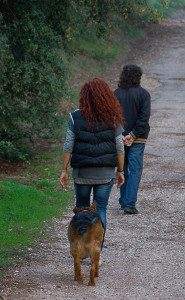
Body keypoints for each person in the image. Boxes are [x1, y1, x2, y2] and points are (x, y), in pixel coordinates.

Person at [60, 78, 125, 246]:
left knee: (82, 208)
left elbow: (68, 145)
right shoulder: (113, 118)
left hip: (82, 173)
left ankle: (80, 246)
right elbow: (120, 147)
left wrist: (64, 170)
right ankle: (97, 249)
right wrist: (120, 171)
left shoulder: (75, 117)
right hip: (105, 173)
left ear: (84, 97)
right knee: (101, 208)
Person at [114, 65, 151, 214]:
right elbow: (144, 118)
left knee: (123, 169)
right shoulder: (144, 94)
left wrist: (121, 135)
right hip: (138, 138)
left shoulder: (115, 94)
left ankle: (124, 201)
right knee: (135, 170)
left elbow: (112, 118)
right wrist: (133, 135)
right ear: (138, 77)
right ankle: (129, 203)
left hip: (120, 138)